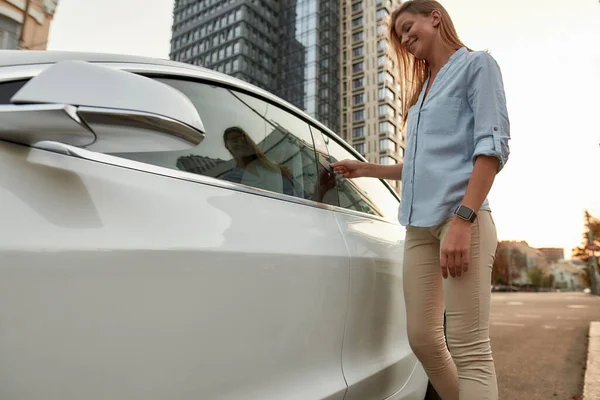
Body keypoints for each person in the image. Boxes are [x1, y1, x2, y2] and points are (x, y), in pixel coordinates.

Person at [332, 1, 510, 399]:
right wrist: (366, 170)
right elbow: (418, 167)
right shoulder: (422, 93)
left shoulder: (477, 65)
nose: (405, 38)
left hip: (461, 219)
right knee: (424, 340)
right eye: (399, 36)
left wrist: (463, 219)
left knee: (469, 348)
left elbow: (491, 150)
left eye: (409, 27)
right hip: (418, 227)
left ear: (435, 17)